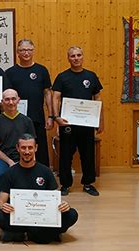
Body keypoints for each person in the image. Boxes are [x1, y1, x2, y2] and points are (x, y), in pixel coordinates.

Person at [0, 134, 78, 243]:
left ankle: (24, 235)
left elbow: (55, 199)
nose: (27, 151)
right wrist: (4, 206)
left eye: (30, 147)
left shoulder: (45, 171)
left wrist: (64, 205)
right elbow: (1, 201)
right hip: (20, 218)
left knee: (72, 214)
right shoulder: (10, 173)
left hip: (42, 218)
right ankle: (47, 234)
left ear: (36, 148)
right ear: (18, 148)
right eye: (23, 148)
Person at [52, 46, 104, 196]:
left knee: (88, 154)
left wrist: (100, 120)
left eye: (78, 55)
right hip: (67, 123)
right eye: (73, 56)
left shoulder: (91, 76)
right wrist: (56, 118)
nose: (76, 58)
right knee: (66, 154)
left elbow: (98, 98)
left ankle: (88, 183)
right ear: (68, 58)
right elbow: (55, 98)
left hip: (87, 123)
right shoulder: (62, 77)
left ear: (83, 57)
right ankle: (65, 184)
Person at [6, 39, 53, 167]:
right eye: (22, 50)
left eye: (29, 50)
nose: (26, 53)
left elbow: (47, 93)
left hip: (37, 116)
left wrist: (50, 116)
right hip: (17, 118)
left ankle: (43, 176)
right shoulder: (10, 72)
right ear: (17, 52)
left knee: (40, 147)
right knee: (21, 147)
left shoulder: (41, 70)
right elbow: (6, 96)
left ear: (33, 51)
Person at [0, 89, 36, 190]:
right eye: (7, 99)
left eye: (13, 99)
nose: (11, 102)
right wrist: (10, 161)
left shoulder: (27, 121)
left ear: (18, 100)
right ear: (2, 102)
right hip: (3, 160)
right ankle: (2, 203)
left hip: (24, 157)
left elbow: (32, 144)